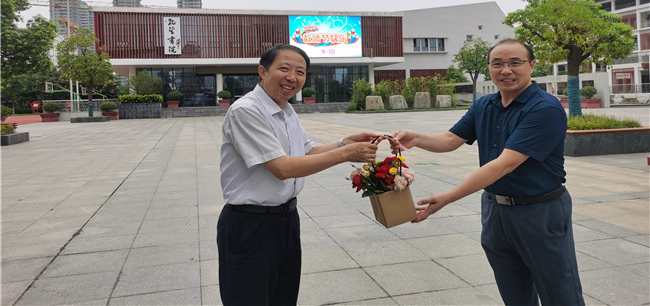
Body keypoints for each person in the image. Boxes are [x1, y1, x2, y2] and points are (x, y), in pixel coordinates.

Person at [389, 39, 584, 306]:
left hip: (540, 211)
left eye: (515, 63)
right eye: (498, 64)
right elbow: (450, 140)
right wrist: (416, 138)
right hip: (496, 210)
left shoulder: (545, 108)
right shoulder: (485, 105)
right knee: (514, 292)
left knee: (559, 292)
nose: (506, 70)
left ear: (532, 66)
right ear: (490, 68)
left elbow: (505, 164)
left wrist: (448, 197)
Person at [217, 44, 378, 306]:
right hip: (250, 224)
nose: (292, 77)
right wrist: (347, 154)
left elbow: (307, 151)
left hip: (286, 220)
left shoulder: (286, 110)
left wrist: (343, 142)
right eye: (284, 68)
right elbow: (282, 168)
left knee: (283, 297)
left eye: (300, 72)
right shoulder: (246, 111)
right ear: (262, 71)